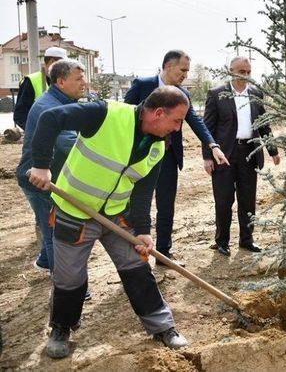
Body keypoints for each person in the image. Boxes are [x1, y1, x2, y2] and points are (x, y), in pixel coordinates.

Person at [28, 86, 191, 358]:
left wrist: (143, 232)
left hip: (116, 214)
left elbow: (142, 193)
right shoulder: (104, 114)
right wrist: (41, 164)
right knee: (70, 277)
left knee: (137, 268)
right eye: (176, 121)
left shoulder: (158, 148)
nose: (177, 128)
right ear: (159, 113)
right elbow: (50, 119)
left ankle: (163, 327)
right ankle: (61, 328)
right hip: (74, 211)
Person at [125, 50, 227, 266]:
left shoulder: (184, 95)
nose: (185, 75)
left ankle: (163, 253)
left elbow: (196, 122)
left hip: (167, 157)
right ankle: (135, 255)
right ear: (168, 66)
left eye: (188, 71)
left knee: (166, 205)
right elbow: (125, 114)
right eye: (183, 70)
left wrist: (213, 145)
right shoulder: (142, 85)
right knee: (137, 204)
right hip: (138, 157)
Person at [203, 56, 279, 256]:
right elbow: (207, 128)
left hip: (249, 153)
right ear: (231, 71)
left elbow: (264, 124)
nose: (245, 75)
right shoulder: (217, 94)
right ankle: (222, 240)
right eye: (241, 71)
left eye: (248, 72)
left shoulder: (255, 93)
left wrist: (273, 150)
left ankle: (247, 239)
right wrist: (208, 157)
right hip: (224, 155)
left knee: (248, 200)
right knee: (224, 200)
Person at [16, 59, 86, 276]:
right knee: (56, 235)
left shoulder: (64, 101)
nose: (84, 82)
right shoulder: (50, 107)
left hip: (51, 177)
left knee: (51, 229)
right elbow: (69, 144)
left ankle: (45, 262)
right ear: (61, 81)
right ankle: (66, 285)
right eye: (79, 78)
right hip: (38, 180)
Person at [13, 47, 68, 129]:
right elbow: (20, 115)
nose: (65, 68)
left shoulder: (63, 81)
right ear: (52, 62)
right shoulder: (31, 81)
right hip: (39, 137)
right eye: (63, 64)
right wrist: (35, 131)